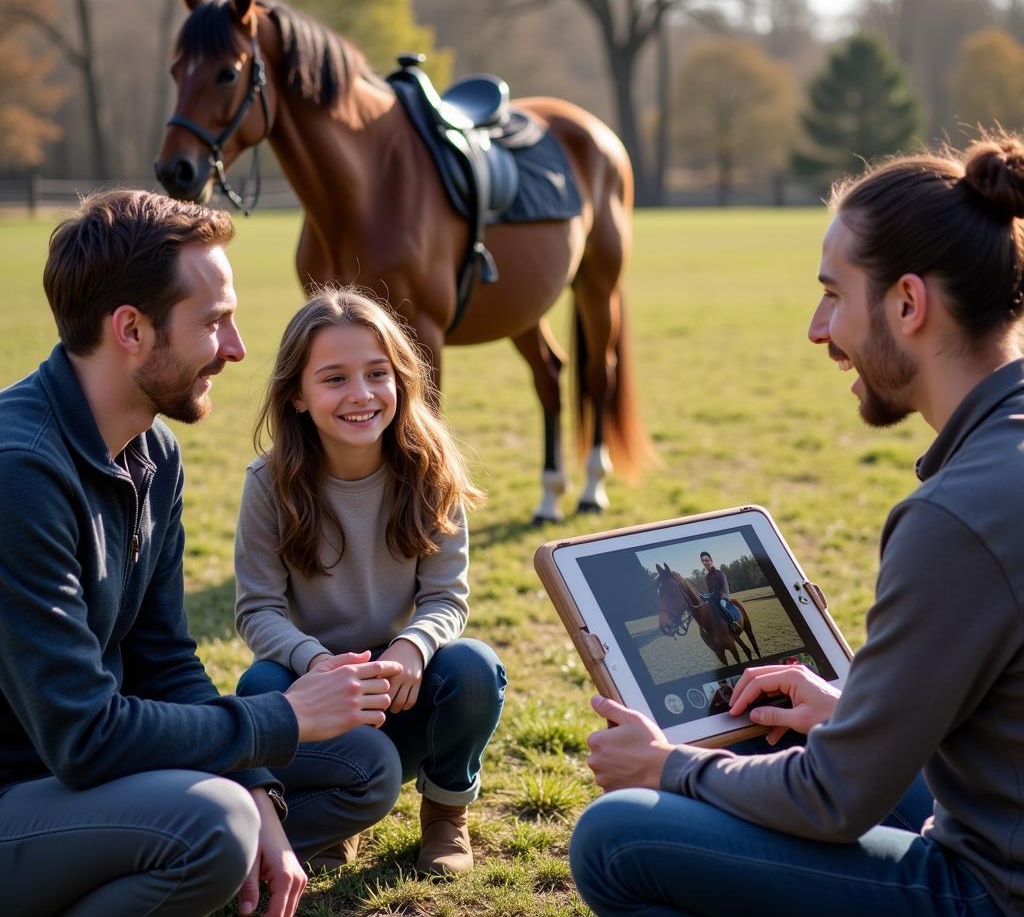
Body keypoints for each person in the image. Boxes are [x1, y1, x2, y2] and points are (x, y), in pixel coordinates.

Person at [569, 135, 1024, 917]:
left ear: (908, 305)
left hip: (991, 890)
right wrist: (849, 709)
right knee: (794, 735)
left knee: (616, 836)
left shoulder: (954, 518)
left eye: (834, 295)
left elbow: (831, 800)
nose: (818, 330)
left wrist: (668, 764)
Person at [0, 190, 404, 917]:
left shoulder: (152, 452)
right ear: (130, 329)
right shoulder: (19, 474)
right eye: (214, 322)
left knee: (361, 763)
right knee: (212, 826)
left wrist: (260, 790)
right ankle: (193, 859)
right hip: (23, 792)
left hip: (91, 773)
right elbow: (84, 737)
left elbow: (163, 658)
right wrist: (277, 722)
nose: (238, 347)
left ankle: (196, 870)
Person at [233, 286, 506, 874]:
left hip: (397, 683)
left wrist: (413, 646)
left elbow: (445, 595)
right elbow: (257, 610)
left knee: (474, 667)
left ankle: (444, 813)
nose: (360, 395)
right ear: (298, 396)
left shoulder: (431, 469)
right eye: (334, 379)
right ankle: (337, 813)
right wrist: (312, 663)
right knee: (259, 683)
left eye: (377, 373)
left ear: (401, 380)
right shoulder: (269, 482)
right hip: (315, 678)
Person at [699, 550, 741, 634]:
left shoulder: (719, 573)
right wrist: (707, 596)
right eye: (703, 561)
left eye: (706, 560)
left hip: (723, 596)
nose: (705, 562)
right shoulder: (707, 577)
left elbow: (723, 587)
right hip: (714, 596)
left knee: (721, 604)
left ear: (711, 561)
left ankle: (732, 623)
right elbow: (710, 590)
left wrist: (720, 596)